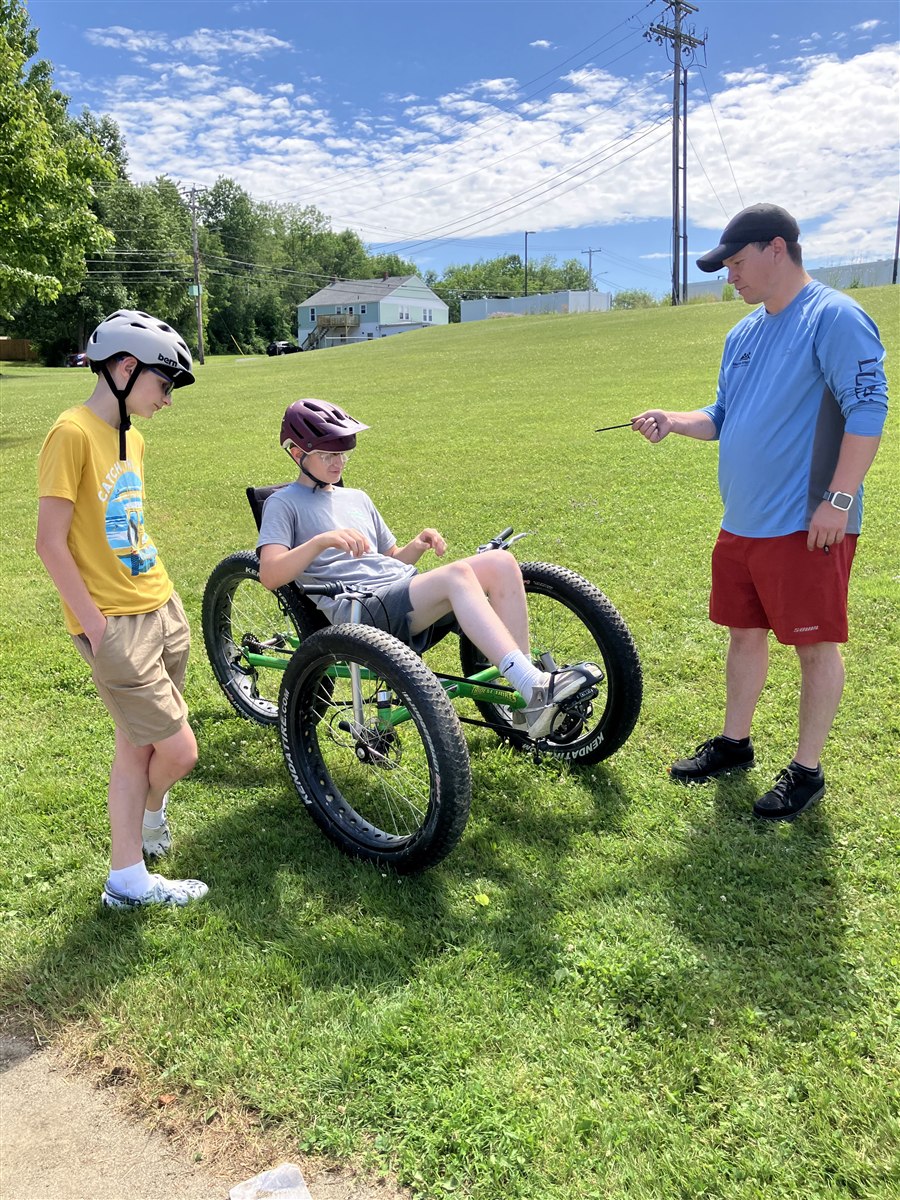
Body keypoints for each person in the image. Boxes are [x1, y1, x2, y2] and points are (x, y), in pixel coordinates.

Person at [631, 203, 888, 820]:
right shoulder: (742, 334)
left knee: (814, 646)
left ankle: (806, 770)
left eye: (737, 264)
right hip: (741, 523)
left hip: (805, 523)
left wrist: (839, 499)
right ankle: (735, 743)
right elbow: (721, 416)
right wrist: (673, 420)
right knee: (744, 635)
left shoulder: (834, 316)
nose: (731, 278)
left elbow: (869, 410)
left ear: (778, 249)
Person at [257, 399, 601, 739]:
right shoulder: (282, 503)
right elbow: (270, 574)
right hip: (360, 611)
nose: (339, 462)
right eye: (328, 455)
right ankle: (532, 685)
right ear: (297, 453)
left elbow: (391, 559)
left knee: (501, 561)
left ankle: (528, 690)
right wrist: (321, 542)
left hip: (399, 593)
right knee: (458, 576)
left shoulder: (357, 498)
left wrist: (416, 546)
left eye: (343, 453)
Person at [36, 310, 208, 908]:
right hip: (114, 622)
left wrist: (162, 601)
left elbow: (127, 523)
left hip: (160, 605)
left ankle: (128, 875)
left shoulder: (132, 437)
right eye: (165, 384)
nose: (167, 399)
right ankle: (143, 835)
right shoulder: (71, 432)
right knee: (179, 750)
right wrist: (96, 627)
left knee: (137, 746)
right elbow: (49, 542)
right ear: (126, 368)